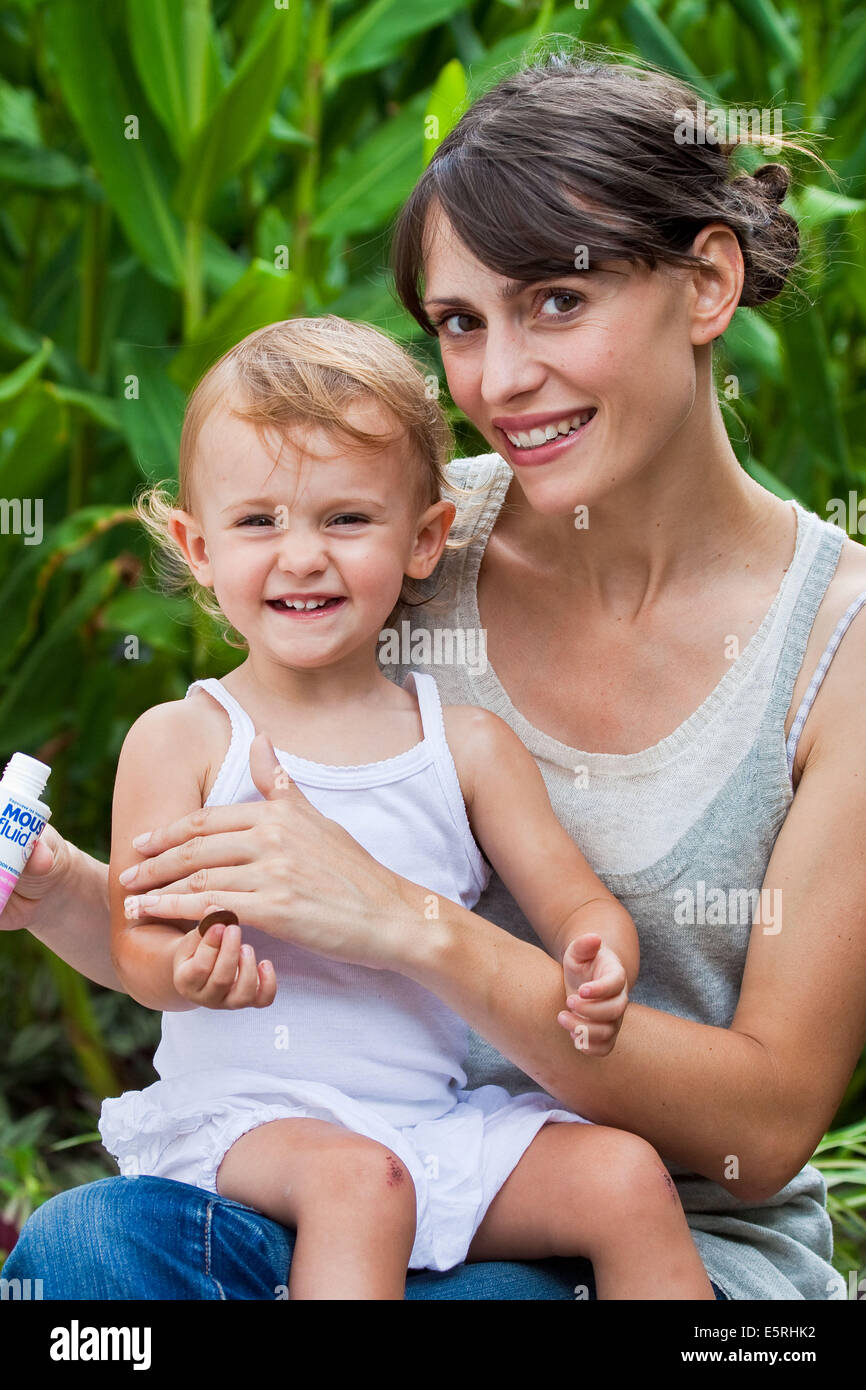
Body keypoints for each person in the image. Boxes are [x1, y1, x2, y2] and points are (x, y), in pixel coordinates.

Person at [5, 52, 863, 1301]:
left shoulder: (834, 647)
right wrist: (77, 888)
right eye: (460, 323)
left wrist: (407, 922)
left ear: (706, 282)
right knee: (86, 1255)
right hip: (332, 1186)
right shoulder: (389, 531)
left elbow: (768, 1125)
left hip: (636, 1231)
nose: (499, 381)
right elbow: (216, 828)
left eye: (556, 301)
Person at [96, 314, 714, 1301]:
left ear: (424, 538)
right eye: (259, 522)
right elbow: (138, 945)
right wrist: (188, 968)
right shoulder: (185, 738)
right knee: (357, 1184)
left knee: (622, 1176)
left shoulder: (461, 746)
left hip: (427, 1120)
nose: (301, 557)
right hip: (252, 1117)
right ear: (196, 546)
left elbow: (573, 906)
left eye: (345, 519)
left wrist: (599, 958)